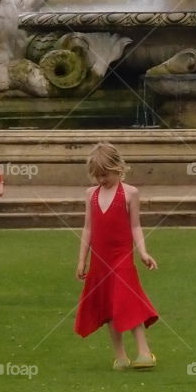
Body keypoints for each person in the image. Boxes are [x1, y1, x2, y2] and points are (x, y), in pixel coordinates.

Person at [75, 143, 159, 370]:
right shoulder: (90, 194)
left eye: (105, 174)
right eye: (97, 175)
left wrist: (143, 252)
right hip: (99, 261)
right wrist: (82, 260)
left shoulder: (130, 193)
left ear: (117, 168)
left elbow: (135, 227)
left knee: (128, 301)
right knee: (109, 307)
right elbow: (88, 229)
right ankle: (120, 356)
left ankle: (144, 353)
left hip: (122, 258)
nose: (101, 180)